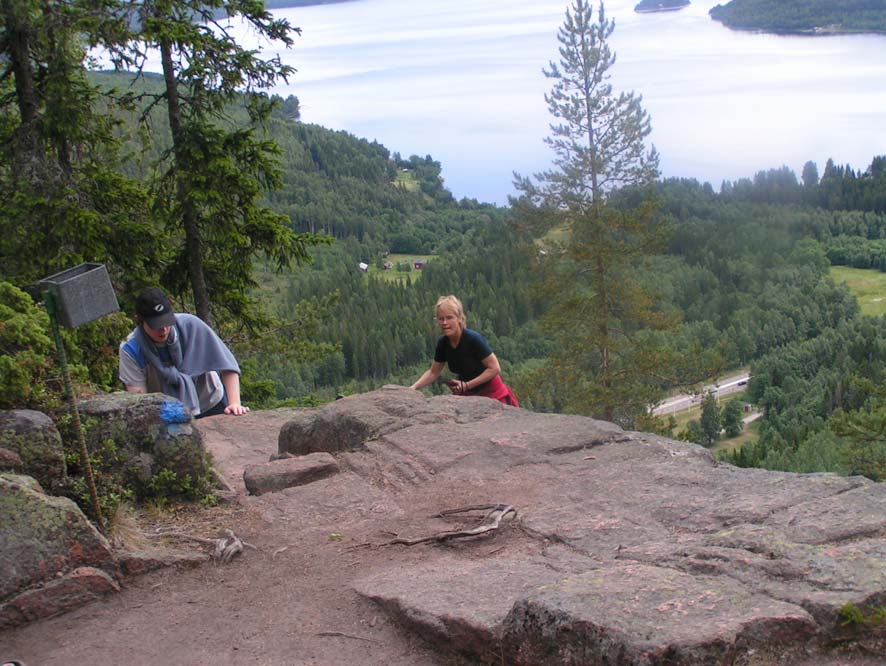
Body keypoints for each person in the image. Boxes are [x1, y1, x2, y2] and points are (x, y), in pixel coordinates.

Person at [119, 287, 249, 417]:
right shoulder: (130, 349)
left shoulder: (191, 326)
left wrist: (234, 403)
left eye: (166, 321)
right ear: (141, 321)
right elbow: (139, 399)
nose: (163, 329)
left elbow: (227, 364)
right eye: (156, 325)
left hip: (209, 401)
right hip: (167, 412)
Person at [411, 295, 519, 407]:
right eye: (441, 318)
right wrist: (413, 388)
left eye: (449, 317)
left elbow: (495, 368)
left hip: (493, 393)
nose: (444, 322)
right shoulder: (443, 343)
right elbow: (433, 372)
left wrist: (467, 385)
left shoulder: (473, 339)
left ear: (459, 318)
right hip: (468, 394)